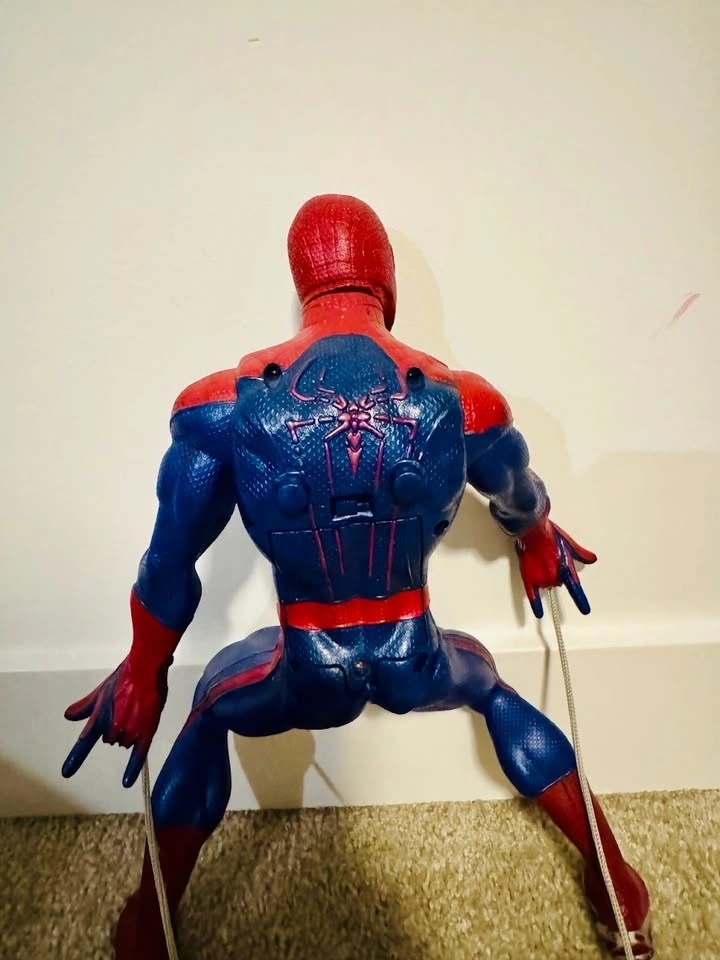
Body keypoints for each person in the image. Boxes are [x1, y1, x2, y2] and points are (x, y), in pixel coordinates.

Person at [62, 194, 654, 959]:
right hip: (415, 659)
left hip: (306, 669)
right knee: (490, 686)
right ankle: (620, 891)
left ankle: (149, 926)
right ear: (385, 277)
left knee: (209, 706)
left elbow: (169, 559)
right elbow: (520, 495)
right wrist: (538, 540)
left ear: (302, 279)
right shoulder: (463, 401)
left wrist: (146, 671)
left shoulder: (223, 408)